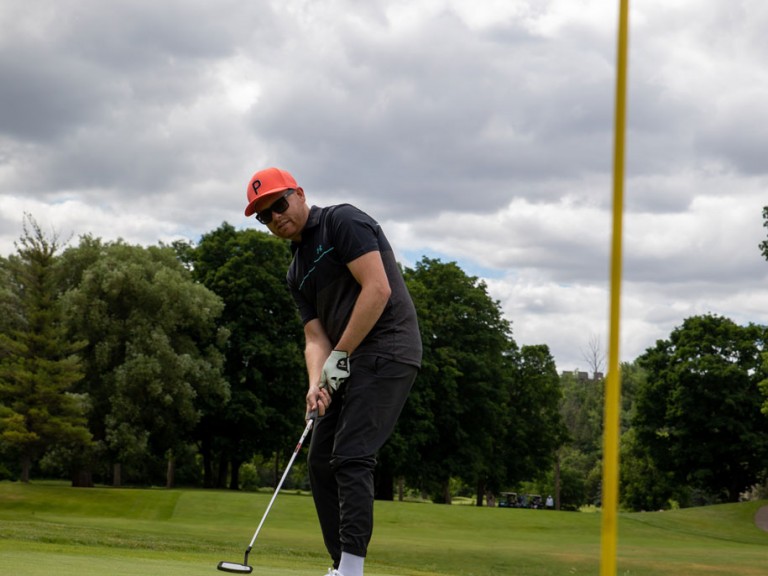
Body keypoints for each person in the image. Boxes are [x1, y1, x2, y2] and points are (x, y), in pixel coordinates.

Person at [244, 167, 422, 576]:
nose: (275, 217)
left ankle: (352, 571)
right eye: (264, 216)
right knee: (321, 461)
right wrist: (315, 383)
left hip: (387, 348)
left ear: (300, 194)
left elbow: (378, 289)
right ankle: (340, 565)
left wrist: (339, 356)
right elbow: (313, 337)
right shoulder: (295, 270)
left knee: (351, 455)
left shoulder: (343, 221)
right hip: (348, 356)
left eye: (279, 204)